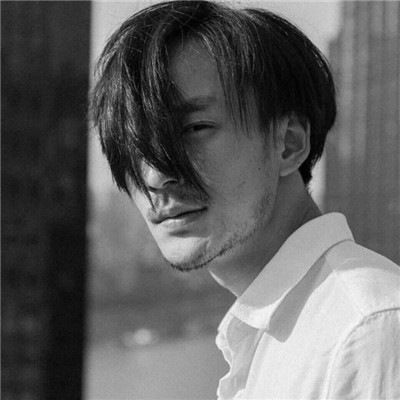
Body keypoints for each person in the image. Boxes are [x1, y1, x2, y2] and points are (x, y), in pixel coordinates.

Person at [90, 1, 400, 398]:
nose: (155, 176)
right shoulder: (276, 338)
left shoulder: (366, 332)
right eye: (136, 145)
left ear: (289, 144)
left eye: (195, 128)